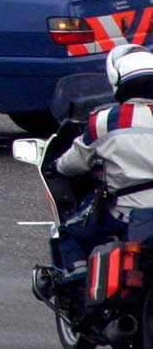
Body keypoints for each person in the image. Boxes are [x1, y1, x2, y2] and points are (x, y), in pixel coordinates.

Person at [49, 45, 153, 282]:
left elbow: (72, 164)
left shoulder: (104, 121)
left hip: (126, 215)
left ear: (118, 82)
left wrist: (56, 167)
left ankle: (78, 283)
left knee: (68, 233)